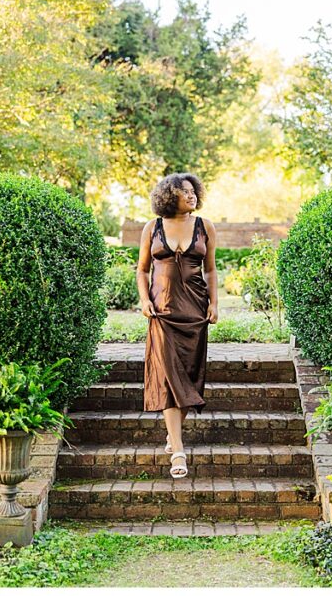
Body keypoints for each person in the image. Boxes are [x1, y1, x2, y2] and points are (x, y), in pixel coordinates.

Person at [137, 173, 219, 479]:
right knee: (169, 378)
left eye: (193, 191)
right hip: (162, 312)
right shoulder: (152, 228)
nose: (191, 196)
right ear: (169, 196)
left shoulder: (204, 226)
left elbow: (210, 270)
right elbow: (142, 270)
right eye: (184, 192)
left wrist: (214, 303)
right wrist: (144, 301)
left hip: (195, 312)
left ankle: (172, 437)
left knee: (190, 377)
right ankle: (179, 450)